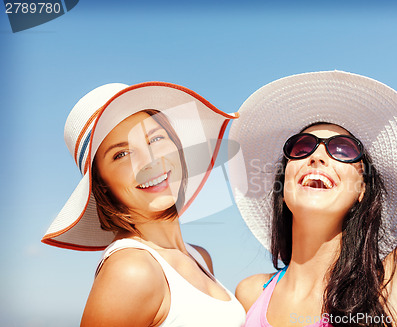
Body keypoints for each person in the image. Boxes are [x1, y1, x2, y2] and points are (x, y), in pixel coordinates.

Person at [228, 71, 397, 326]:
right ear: (283, 183)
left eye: (343, 150)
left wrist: (382, 154)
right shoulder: (250, 294)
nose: (317, 157)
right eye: (302, 147)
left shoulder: (389, 289)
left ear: (362, 189)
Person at [42, 82, 246, 326]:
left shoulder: (199, 257)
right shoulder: (132, 271)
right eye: (121, 154)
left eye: (156, 138)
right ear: (101, 184)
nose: (149, 160)